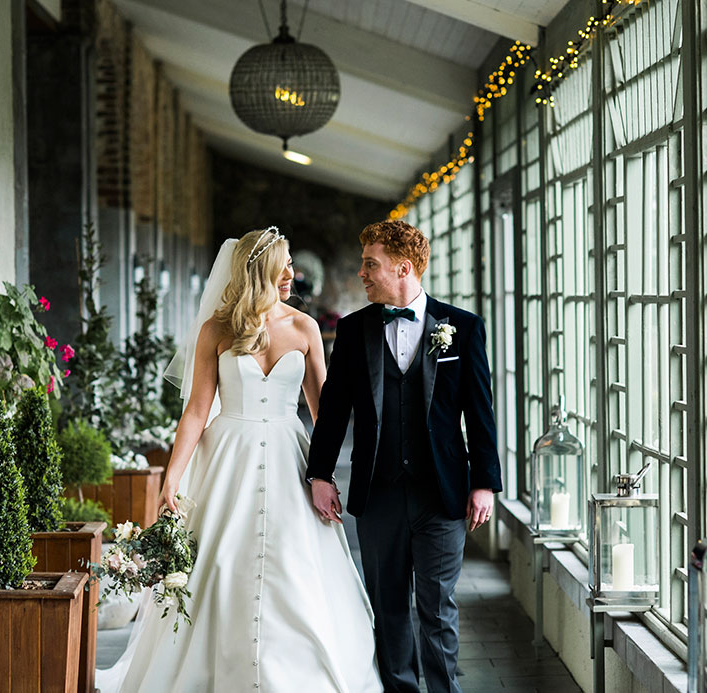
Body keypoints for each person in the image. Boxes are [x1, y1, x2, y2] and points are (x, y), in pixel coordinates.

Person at [97, 228, 382, 692]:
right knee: (222, 561)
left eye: (292, 265)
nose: (293, 274)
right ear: (259, 270)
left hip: (291, 459)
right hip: (227, 456)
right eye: (284, 265)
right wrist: (173, 477)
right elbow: (195, 411)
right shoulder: (217, 330)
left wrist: (324, 475)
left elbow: (324, 413)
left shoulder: (305, 328)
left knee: (294, 563)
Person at [306, 219, 501, 693]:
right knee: (389, 607)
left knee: (437, 609)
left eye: (370, 265)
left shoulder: (463, 328)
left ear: (403, 268)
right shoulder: (353, 332)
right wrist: (320, 474)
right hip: (379, 495)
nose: (362, 274)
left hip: (443, 495)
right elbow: (333, 410)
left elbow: (480, 412)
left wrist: (483, 482)